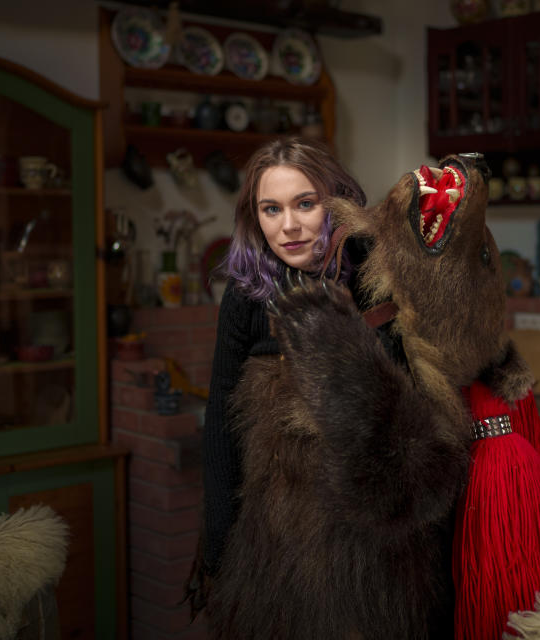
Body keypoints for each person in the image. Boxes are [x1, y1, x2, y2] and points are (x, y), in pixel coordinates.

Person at [187, 137, 368, 609]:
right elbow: (222, 421)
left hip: (366, 531)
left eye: (305, 204)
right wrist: (219, 543)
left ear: (337, 204)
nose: (289, 226)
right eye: (271, 209)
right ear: (255, 218)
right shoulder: (246, 296)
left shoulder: (374, 281)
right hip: (276, 530)